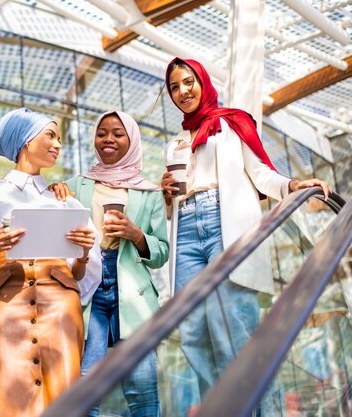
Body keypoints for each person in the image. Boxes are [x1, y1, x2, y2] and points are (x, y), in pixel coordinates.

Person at [160, 57, 331, 413]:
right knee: (193, 334)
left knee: (232, 330)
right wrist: (167, 197)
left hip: (223, 222)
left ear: (202, 81)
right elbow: (176, 196)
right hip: (187, 229)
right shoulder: (175, 142)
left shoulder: (231, 122)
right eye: (174, 86)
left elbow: (260, 174)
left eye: (188, 81)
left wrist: (292, 185)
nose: (182, 91)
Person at [0, 107, 101, 417]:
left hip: (61, 310)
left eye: (60, 138)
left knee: (63, 397)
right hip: (5, 307)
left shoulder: (67, 201)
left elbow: (84, 278)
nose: (58, 144)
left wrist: (83, 254)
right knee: (4, 396)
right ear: (25, 141)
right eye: (50, 135)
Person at [52, 110, 169, 416]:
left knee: (142, 390)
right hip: (88, 286)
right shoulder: (76, 184)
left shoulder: (150, 193)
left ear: (131, 140)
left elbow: (161, 252)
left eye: (118, 134)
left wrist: (136, 234)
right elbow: (51, 218)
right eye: (102, 132)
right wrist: (53, 191)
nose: (108, 139)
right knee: (85, 389)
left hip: (133, 293)